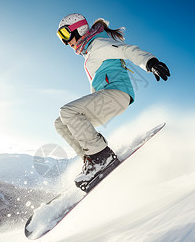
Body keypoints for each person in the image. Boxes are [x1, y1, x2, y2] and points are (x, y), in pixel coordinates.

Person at [54, 13, 170, 190]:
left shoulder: (99, 44)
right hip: (107, 98)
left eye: (65, 34)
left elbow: (127, 50)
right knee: (61, 123)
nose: (65, 42)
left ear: (78, 29)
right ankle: (91, 160)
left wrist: (150, 62)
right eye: (61, 37)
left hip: (117, 94)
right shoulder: (91, 52)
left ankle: (101, 157)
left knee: (67, 111)